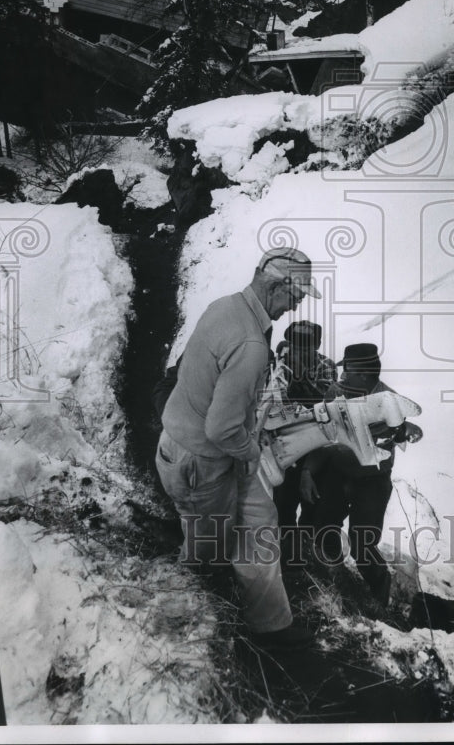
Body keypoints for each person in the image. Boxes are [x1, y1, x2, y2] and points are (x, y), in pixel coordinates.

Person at [155, 246, 322, 649]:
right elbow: (221, 428)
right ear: (278, 286)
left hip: (196, 451)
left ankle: (272, 626)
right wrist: (251, 453)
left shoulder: (225, 306)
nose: (296, 306)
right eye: (297, 297)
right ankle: (203, 635)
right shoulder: (250, 342)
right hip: (202, 461)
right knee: (206, 555)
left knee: (261, 522)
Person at [299, 343, 422, 607]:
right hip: (337, 472)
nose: (341, 377)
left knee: (363, 544)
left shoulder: (389, 401)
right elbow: (322, 435)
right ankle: (331, 582)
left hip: (372, 482)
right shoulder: (336, 392)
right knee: (324, 527)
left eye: (349, 371)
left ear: (365, 374)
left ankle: (379, 600)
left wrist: (405, 428)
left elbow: (397, 435)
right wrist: (308, 471)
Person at [271, 321, 337, 561]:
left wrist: (296, 377)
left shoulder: (325, 366)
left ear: (316, 345)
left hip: (316, 444)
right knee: (283, 502)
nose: (299, 350)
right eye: (295, 345)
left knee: (313, 505)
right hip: (287, 443)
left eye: (305, 346)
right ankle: (287, 555)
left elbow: (320, 403)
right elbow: (275, 400)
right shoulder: (282, 364)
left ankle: (307, 553)